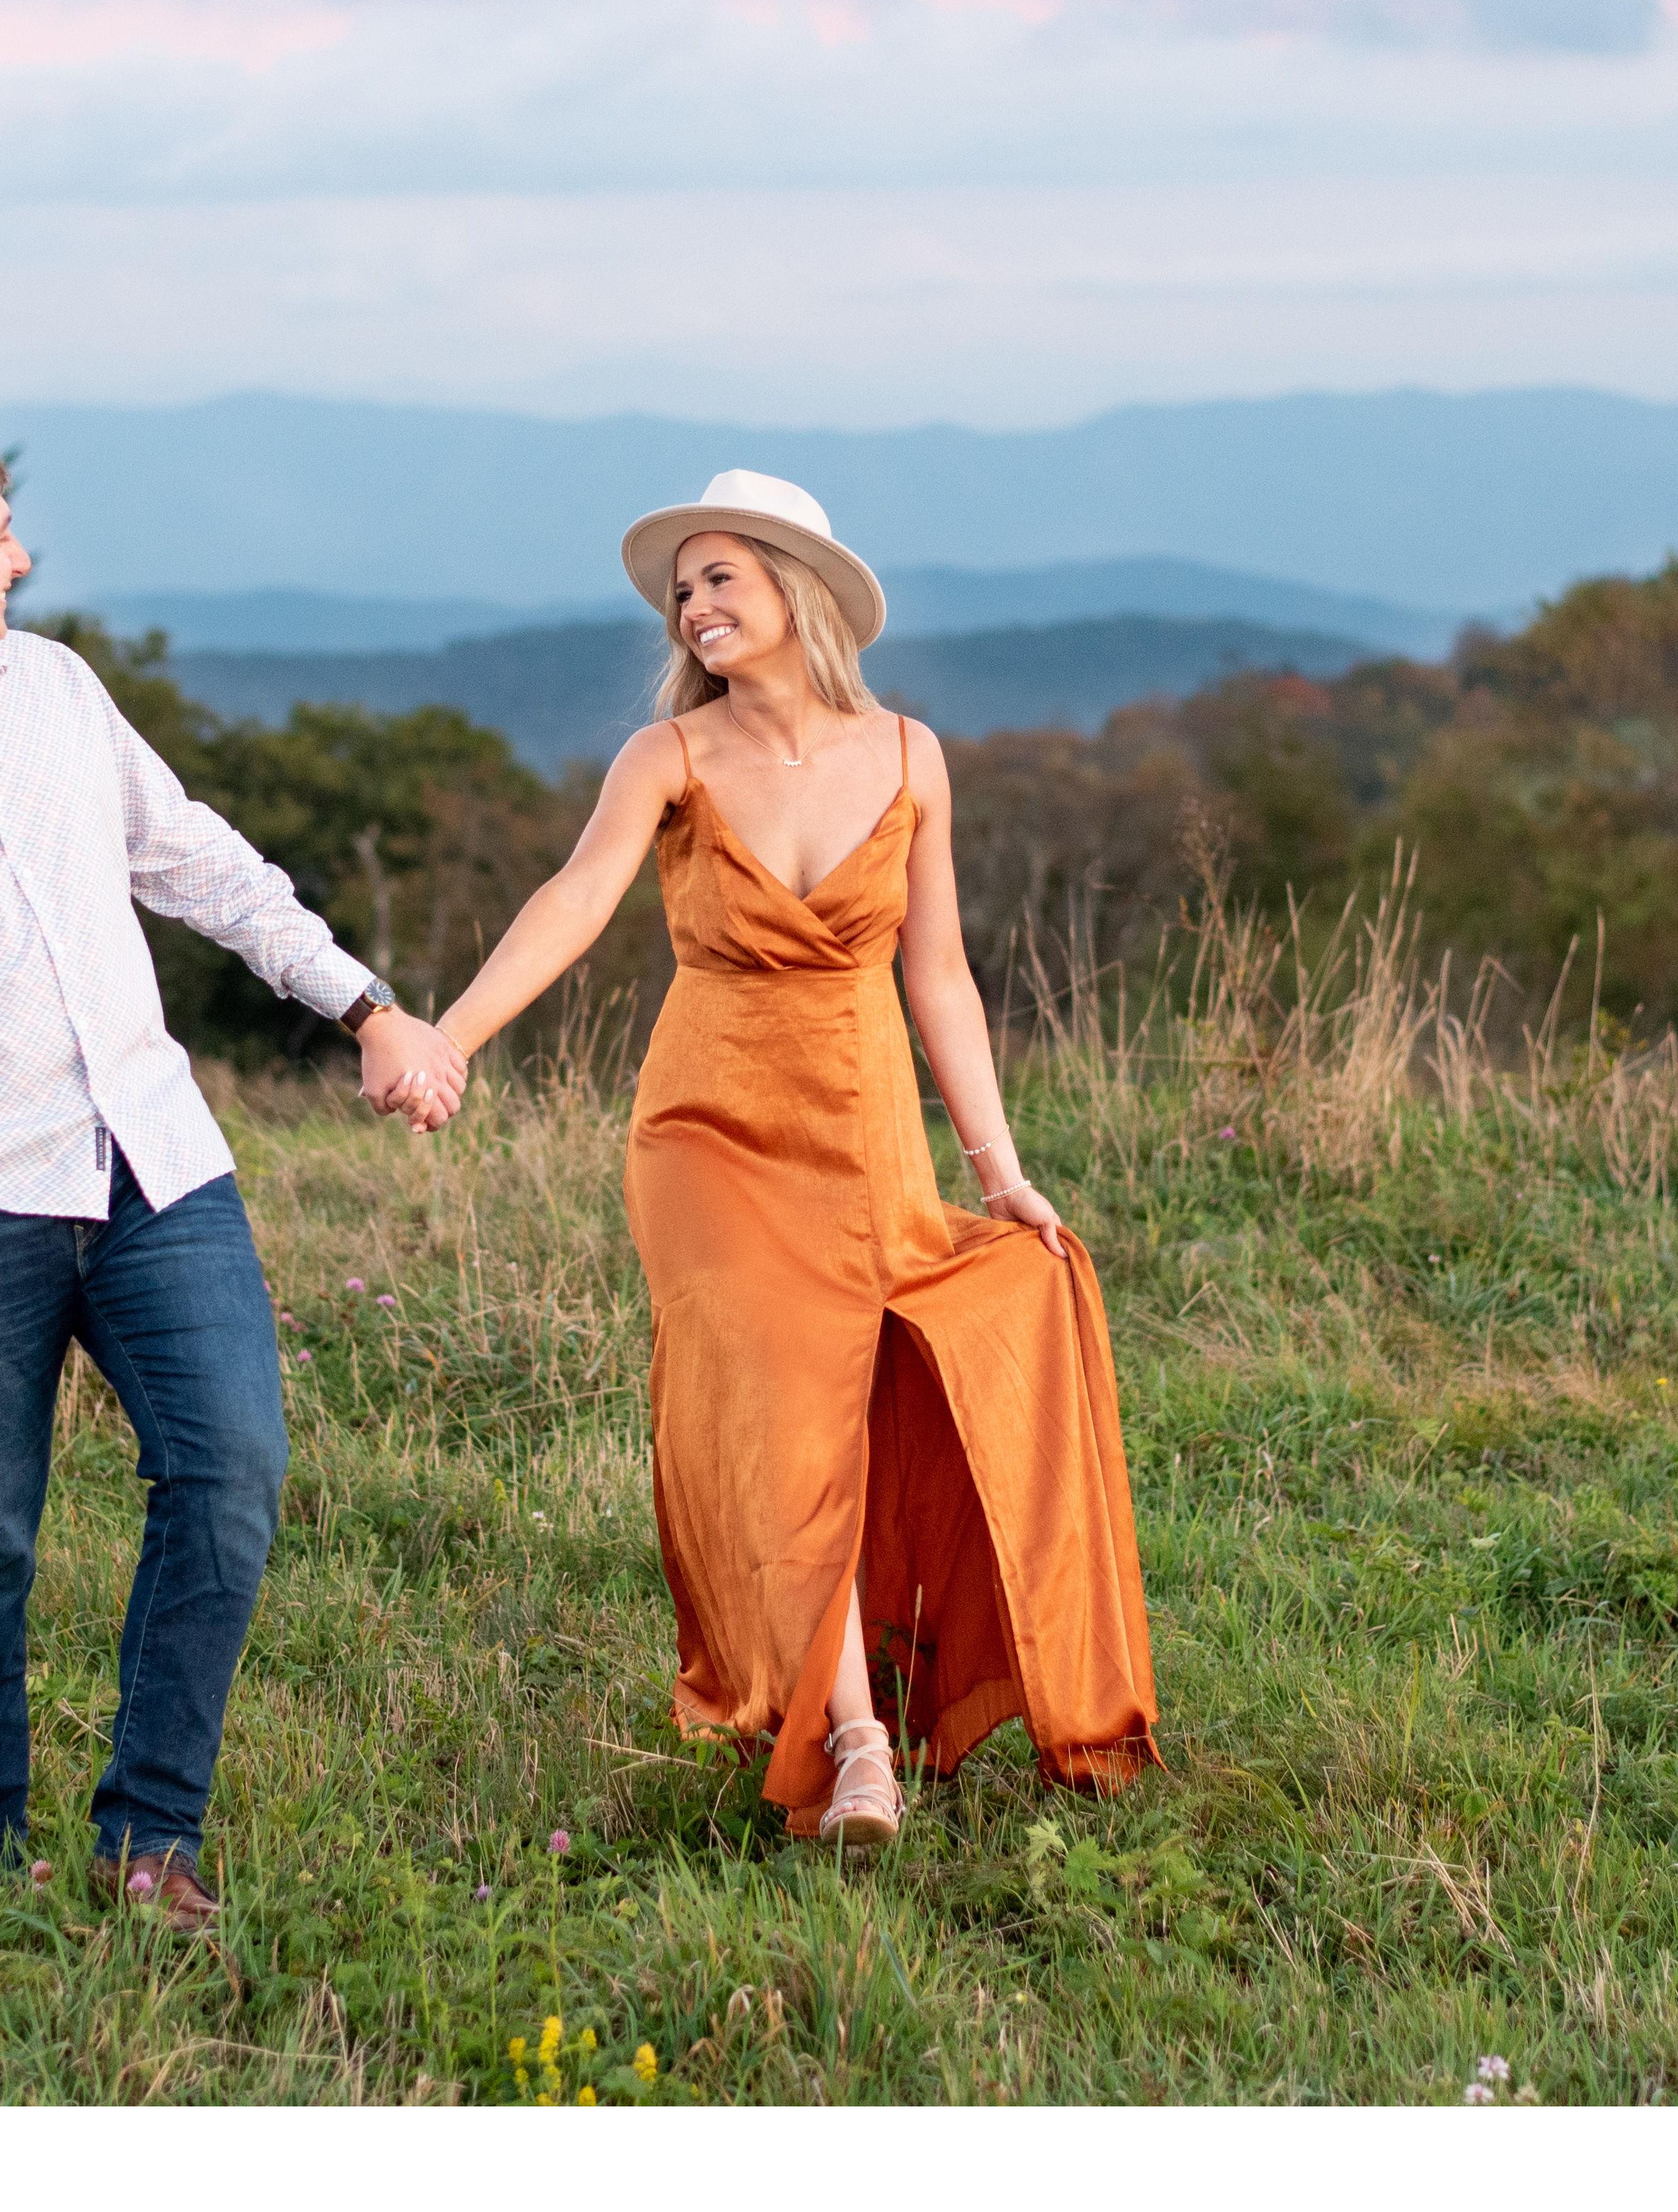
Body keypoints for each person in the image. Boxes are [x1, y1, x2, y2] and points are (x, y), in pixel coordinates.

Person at [0, 409, 466, 1926]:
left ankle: (147, 1843)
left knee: (233, 1469)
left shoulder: (52, 688)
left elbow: (193, 859)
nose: (22, 558)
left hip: (153, 1167)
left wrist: (363, 1007)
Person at [419, 469, 1158, 1846]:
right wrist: (450, 1037)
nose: (694, 605)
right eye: (681, 588)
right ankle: (857, 1743)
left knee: (900, 1376)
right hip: (708, 1129)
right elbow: (573, 901)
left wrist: (997, 1170)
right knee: (771, 1405)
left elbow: (938, 973)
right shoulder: (668, 760)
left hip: (862, 1122)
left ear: (794, 589)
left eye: (719, 577)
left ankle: (910, 1690)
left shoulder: (910, 752)